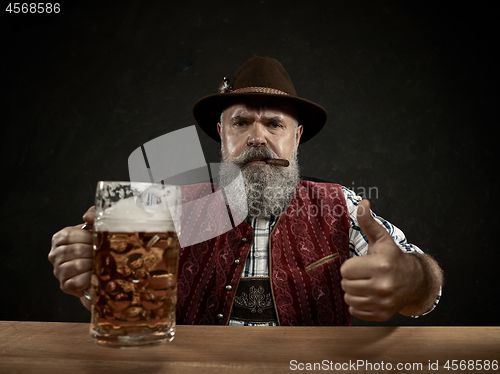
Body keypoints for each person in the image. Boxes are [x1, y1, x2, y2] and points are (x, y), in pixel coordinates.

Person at [49, 57, 443, 326]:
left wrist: (409, 278)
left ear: (297, 137)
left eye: (274, 124)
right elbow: (126, 308)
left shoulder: (341, 205)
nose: (257, 137)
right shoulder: (169, 208)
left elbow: (422, 285)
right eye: (241, 122)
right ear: (222, 133)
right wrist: (92, 277)